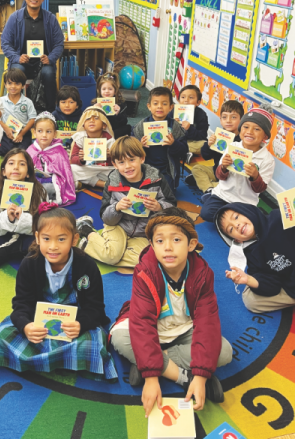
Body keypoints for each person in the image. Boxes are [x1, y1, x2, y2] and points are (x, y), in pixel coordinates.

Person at [110, 208, 232, 416]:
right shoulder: (144, 272)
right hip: (152, 329)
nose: (167, 247)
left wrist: (202, 376)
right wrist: (151, 378)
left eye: (176, 240)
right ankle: (182, 376)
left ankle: (146, 361)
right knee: (119, 337)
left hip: (184, 329)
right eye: (159, 241)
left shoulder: (203, 274)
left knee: (224, 352)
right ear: (151, 245)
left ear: (191, 244)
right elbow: (142, 323)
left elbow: (207, 323)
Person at [0, 204, 118, 381]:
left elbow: (95, 308)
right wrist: (26, 327)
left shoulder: (87, 266)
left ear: (74, 239)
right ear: (37, 238)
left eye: (61, 239)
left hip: (72, 322)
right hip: (38, 320)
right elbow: (21, 304)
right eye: (47, 239)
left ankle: (40, 359)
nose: (53, 247)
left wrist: (80, 324)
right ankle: (65, 359)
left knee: (95, 344)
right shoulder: (29, 264)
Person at [76, 136, 176, 268]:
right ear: (115, 164)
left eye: (132, 160)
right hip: (118, 226)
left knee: (146, 261)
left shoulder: (156, 179)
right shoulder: (112, 182)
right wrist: (116, 208)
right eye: (121, 162)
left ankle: (103, 249)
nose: (128, 166)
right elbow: (106, 218)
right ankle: (87, 230)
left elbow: (172, 206)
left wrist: (159, 206)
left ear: (142, 158)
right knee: (113, 255)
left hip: (143, 231)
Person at [0, 148, 47, 269]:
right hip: (3, 234)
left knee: (44, 239)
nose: (16, 167)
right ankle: (19, 248)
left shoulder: (40, 192)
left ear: (28, 172)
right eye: (11, 163)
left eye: (22, 164)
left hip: (29, 235)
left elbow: (43, 223)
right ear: (3, 172)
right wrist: (7, 218)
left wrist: (23, 218)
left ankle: (9, 250)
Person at [200, 105, 275, 222]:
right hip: (223, 195)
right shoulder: (232, 147)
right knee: (206, 214)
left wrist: (255, 176)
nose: (249, 132)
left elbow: (260, 189)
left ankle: (224, 212)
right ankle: (218, 203)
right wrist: (224, 167)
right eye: (245, 127)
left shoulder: (267, 159)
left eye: (257, 129)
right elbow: (219, 175)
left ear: (265, 136)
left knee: (251, 223)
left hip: (245, 202)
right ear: (240, 131)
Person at [217, 203, 295, 313]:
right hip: (290, 284)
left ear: (247, 211)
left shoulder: (278, 217)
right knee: (251, 300)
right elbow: (273, 284)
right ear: (236, 240)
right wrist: (248, 279)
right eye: (230, 229)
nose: (236, 225)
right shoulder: (250, 253)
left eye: (236, 217)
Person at [1, 0, 64, 112]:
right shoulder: (15, 18)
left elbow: (59, 43)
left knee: (49, 73)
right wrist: (17, 57)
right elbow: (5, 43)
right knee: (17, 72)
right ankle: (16, 110)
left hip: (43, 63)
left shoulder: (50, 19)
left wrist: (50, 58)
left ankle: (51, 111)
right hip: (21, 63)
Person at [133, 87, 188, 190]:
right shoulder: (142, 125)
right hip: (145, 168)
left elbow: (184, 150)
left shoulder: (174, 126)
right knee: (141, 190)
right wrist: (139, 145)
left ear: (171, 107)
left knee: (167, 193)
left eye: (164, 104)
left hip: (166, 170)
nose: (159, 107)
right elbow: (130, 146)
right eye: (155, 103)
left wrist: (173, 143)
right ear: (149, 106)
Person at [186, 100, 243, 194]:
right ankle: (209, 188)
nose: (228, 120)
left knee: (235, 187)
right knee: (196, 168)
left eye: (233, 117)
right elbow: (206, 156)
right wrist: (209, 145)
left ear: (241, 120)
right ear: (220, 120)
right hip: (216, 170)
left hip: (233, 178)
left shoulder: (243, 139)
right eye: (224, 117)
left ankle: (208, 184)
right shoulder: (219, 136)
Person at [27, 112, 76, 205]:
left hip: (52, 181)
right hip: (35, 179)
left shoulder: (59, 151)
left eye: (48, 131)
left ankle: (45, 202)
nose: (44, 135)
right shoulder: (31, 149)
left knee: (47, 189)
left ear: (54, 134)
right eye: (40, 131)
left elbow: (65, 173)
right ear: (34, 132)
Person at [70, 106, 116, 190]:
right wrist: (81, 159)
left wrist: (111, 156)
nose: (91, 121)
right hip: (88, 168)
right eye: (87, 119)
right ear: (83, 125)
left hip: (105, 169)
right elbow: (73, 158)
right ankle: (102, 184)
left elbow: (117, 161)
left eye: (96, 118)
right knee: (71, 168)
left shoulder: (110, 140)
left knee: (120, 173)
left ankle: (84, 181)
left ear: (104, 125)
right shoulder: (80, 137)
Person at [0, 68, 37, 156]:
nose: (13, 86)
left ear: (23, 86)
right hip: (7, 132)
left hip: (23, 132)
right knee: (4, 151)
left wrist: (22, 134)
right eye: (10, 83)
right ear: (5, 85)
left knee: (25, 152)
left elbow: (32, 119)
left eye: (17, 83)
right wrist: (6, 129)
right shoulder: (0, 101)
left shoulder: (27, 102)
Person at [92, 72, 131, 139]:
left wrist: (118, 113)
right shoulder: (96, 103)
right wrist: (94, 111)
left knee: (128, 128)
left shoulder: (120, 104)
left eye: (110, 89)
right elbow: (91, 121)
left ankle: (111, 138)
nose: (107, 91)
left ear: (115, 91)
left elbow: (124, 122)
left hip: (114, 128)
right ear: (100, 91)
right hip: (101, 129)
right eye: (104, 89)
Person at [177, 84, 209, 157]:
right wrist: (173, 123)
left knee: (205, 145)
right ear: (179, 100)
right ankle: (185, 154)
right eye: (183, 97)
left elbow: (202, 136)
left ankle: (183, 153)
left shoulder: (201, 115)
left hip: (191, 142)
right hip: (176, 140)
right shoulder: (174, 112)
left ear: (198, 102)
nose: (186, 100)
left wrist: (190, 128)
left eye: (191, 97)